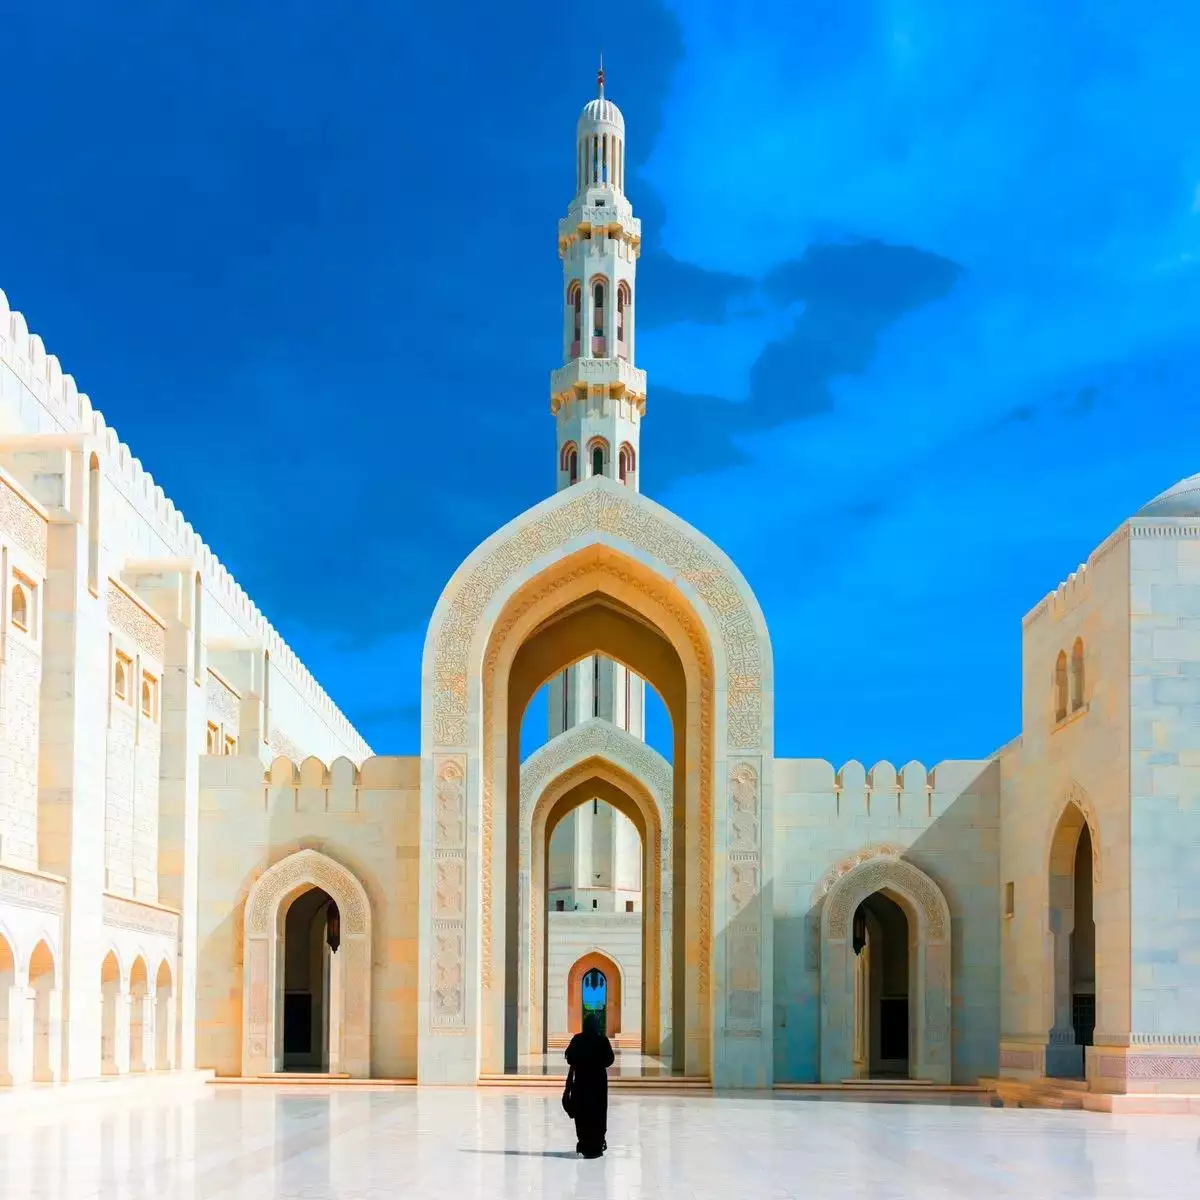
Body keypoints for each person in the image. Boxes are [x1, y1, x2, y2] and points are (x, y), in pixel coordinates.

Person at [563, 1012, 615, 1158]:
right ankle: (597, 1144)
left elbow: (569, 1057)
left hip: (582, 1082)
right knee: (598, 1112)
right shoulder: (602, 1040)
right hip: (598, 1084)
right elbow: (609, 1060)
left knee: (583, 1112)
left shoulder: (578, 1039)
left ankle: (584, 1143)